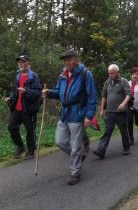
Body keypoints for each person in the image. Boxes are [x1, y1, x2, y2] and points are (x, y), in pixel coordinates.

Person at [43, 50, 97, 185]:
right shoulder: (62, 74)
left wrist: (89, 116)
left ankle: (75, 172)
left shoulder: (85, 74)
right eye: (65, 60)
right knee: (60, 142)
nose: (67, 62)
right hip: (64, 113)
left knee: (75, 146)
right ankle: (79, 156)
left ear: (75, 60)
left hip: (78, 113)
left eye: (69, 59)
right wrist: (49, 92)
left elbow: (92, 96)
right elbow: (58, 92)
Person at [4, 55, 42, 160]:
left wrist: (26, 91)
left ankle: (30, 151)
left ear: (28, 64)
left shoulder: (34, 76)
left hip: (28, 109)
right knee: (11, 127)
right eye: (19, 62)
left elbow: (38, 93)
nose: (20, 63)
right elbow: (16, 92)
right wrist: (10, 98)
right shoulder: (17, 75)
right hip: (17, 108)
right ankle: (20, 147)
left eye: (23, 62)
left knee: (30, 130)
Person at [93, 64, 132, 159]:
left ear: (117, 72)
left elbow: (129, 94)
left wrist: (123, 104)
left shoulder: (123, 81)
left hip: (120, 112)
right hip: (109, 112)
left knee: (123, 131)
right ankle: (101, 150)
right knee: (107, 131)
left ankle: (126, 147)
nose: (110, 75)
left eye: (112, 73)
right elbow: (104, 96)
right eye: (109, 73)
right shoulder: (107, 82)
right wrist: (102, 109)